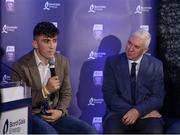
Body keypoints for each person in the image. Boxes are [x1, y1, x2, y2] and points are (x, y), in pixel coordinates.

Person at [12, 21, 97, 134]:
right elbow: (19, 102)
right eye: (46, 41)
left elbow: (66, 93)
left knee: (90, 132)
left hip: (56, 113)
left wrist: (60, 111)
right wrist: (45, 90)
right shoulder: (20, 66)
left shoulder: (62, 61)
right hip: (32, 115)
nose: (52, 46)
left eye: (54, 41)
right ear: (35, 43)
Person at [102, 29, 165, 134]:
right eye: (129, 43)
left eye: (136, 47)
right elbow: (110, 95)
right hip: (119, 113)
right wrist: (136, 111)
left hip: (147, 114)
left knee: (156, 130)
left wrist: (138, 111)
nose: (130, 49)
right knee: (112, 129)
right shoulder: (112, 62)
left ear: (145, 50)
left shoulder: (156, 65)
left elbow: (157, 97)